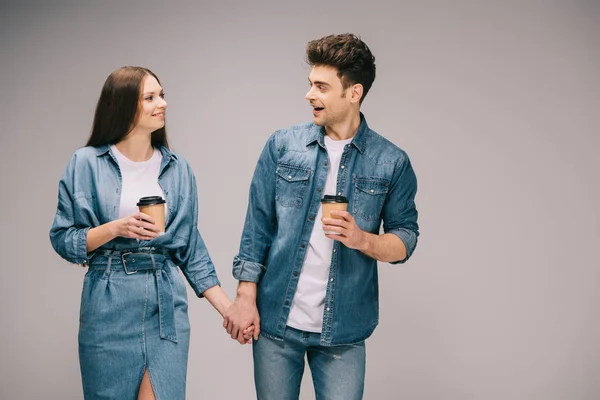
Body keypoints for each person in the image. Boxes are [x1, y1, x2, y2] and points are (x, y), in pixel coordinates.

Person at [223, 33, 420, 399]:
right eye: (310, 84)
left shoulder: (391, 161)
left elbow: (405, 240)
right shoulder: (283, 146)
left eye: (321, 87)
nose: (309, 94)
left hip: (343, 332)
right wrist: (245, 296)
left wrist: (362, 239)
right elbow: (257, 228)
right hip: (276, 328)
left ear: (354, 92)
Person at [50, 66, 251, 400]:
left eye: (162, 94)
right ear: (124, 106)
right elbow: (63, 239)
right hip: (108, 305)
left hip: (165, 306)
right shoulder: (85, 163)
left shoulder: (178, 168)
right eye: (150, 97)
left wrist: (229, 309)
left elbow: (190, 248)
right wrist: (117, 228)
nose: (163, 103)